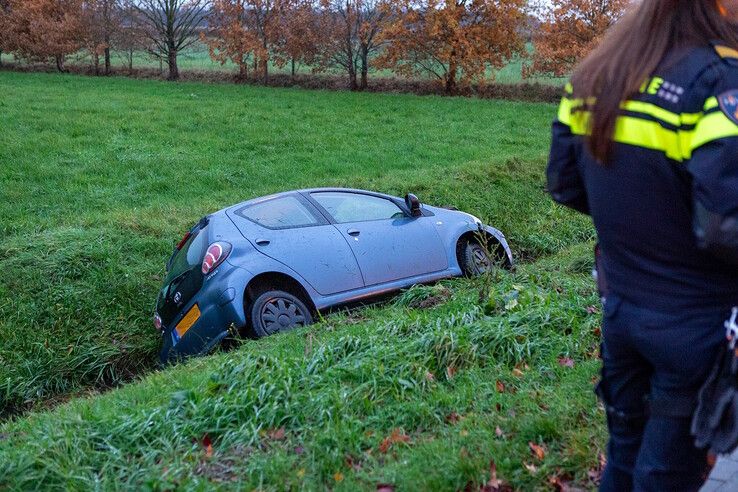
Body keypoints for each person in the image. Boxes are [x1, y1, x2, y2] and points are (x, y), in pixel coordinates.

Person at [547, 1, 738, 490]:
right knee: (665, 474)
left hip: (620, 311)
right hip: (693, 324)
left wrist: (638, 222)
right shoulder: (720, 79)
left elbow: (563, 183)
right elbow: (724, 224)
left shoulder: (596, 74)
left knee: (625, 456)